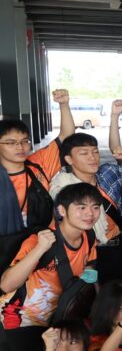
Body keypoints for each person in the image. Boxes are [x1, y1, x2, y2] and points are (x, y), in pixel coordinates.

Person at [0, 183, 100, 351]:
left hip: (58, 318)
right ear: (62, 211)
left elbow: (91, 271)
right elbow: (6, 283)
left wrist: (83, 294)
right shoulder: (41, 240)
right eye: (81, 207)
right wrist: (40, 248)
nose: (90, 213)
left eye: (95, 207)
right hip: (20, 317)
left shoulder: (89, 236)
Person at [50, 128, 122, 281]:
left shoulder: (107, 175)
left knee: (120, 290)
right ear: (69, 159)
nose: (92, 157)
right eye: (84, 153)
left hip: (117, 247)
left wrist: (114, 118)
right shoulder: (62, 187)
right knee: (88, 288)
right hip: (86, 253)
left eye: (95, 152)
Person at [0, 89, 75, 242]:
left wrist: (64, 105)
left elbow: (66, 137)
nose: (20, 147)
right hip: (7, 248)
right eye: (11, 143)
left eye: (24, 141)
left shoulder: (38, 164)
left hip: (44, 242)